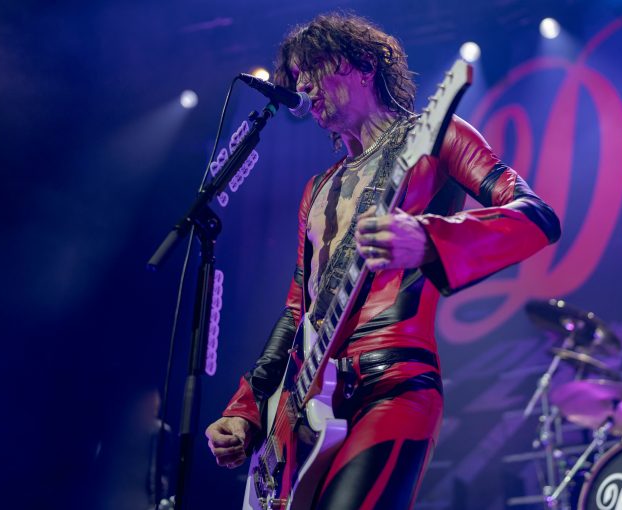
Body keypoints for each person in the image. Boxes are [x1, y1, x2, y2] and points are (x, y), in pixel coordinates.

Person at [205, 12, 560, 509]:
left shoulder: (435, 137)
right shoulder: (318, 189)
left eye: (314, 68)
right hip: (305, 404)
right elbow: (296, 311)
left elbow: (537, 216)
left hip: (392, 384)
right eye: (296, 76)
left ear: (365, 65)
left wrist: (429, 238)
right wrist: (246, 408)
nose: (302, 85)